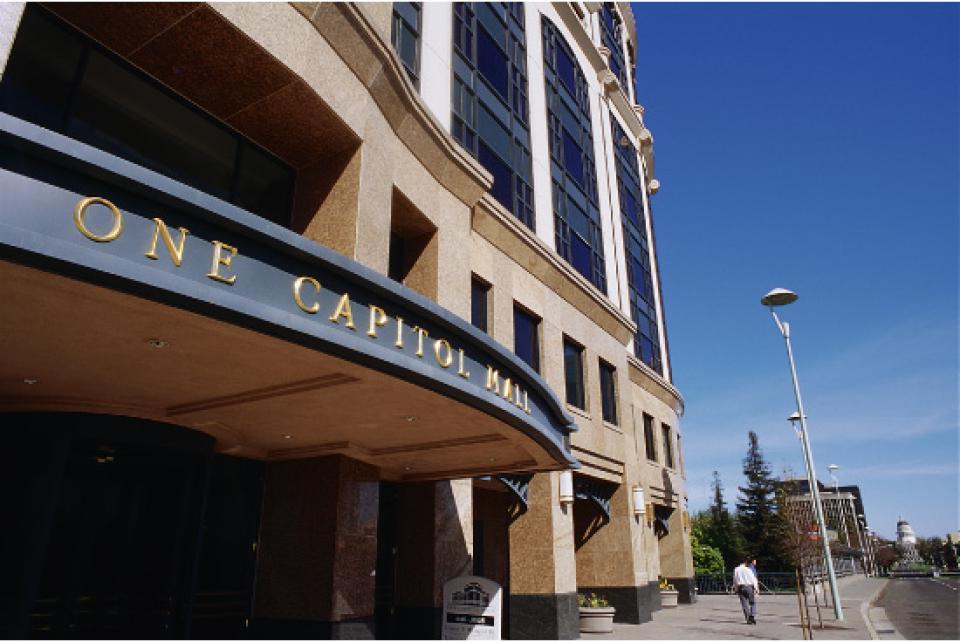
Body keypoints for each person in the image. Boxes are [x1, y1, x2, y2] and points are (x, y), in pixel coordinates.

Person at [733, 556, 759, 624]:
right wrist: (756, 588)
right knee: (752, 603)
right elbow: (753, 579)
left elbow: (735, 580)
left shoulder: (736, 569)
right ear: (745, 562)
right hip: (749, 587)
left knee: (744, 604)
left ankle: (748, 618)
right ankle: (752, 616)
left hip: (741, 587)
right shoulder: (748, 569)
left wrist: (736, 589)